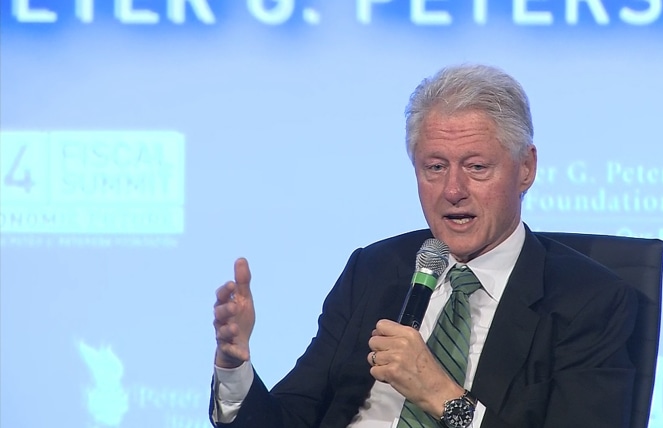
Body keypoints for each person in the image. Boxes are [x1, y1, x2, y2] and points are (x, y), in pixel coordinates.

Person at [210, 64, 638, 427]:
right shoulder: (374, 270)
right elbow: (293, 416)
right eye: (434, 167)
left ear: (526, 168)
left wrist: (440, 394)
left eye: (476, 167)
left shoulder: (589, 300)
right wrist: (235, 368)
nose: (453, 190)